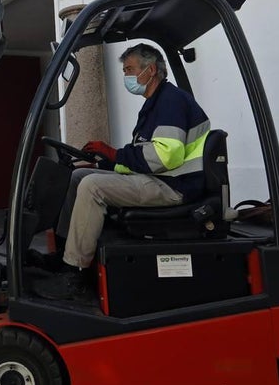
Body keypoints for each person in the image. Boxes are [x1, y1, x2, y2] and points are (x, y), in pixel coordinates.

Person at [34, 43, 211, 300]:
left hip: (175, 186)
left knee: (92, 186)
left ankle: (75, 272)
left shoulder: (171, 101)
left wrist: (112, 152)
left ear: (150, 70)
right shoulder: (155, 103)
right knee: (79, 177)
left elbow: (164, 156)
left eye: (129, 69)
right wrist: (103, 164)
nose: (126, 76)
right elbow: (141, 158)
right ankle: (64, 256)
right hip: (157, 178)